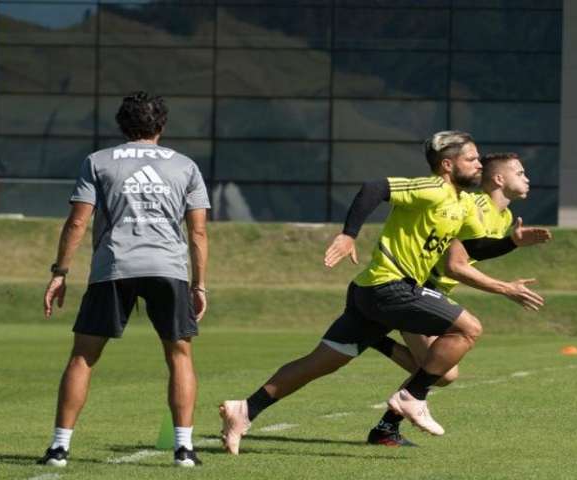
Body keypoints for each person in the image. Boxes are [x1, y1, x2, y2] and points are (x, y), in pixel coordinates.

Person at [219, 131, 550, 455]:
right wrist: (349, 236)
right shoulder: (432, 187)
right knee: (468, 328)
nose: (479, 164)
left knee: (320, 363)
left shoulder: (461, 203)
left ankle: (245, 410)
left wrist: (511, 243)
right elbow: (374, 188)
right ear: (447, 165)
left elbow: (471, 249)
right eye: (472, 159)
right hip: (390, 286)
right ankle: (411, 397)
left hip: (373, 294)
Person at [37, 92, 210, 468]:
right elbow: (197, 234)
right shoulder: (185, 166)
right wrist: (198, 284)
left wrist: (59, 273)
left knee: (83, 356)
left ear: (122, 125)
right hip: (169, 268)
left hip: (113, 266)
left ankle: (58, 449)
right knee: (179, 355)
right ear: (161, 125)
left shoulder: (98, 161)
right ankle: (184, 449)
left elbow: (78, 222)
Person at [366, 151, 543, 446]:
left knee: (442, 372)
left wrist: (510, 243)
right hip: (415, 289)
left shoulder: (506, 217)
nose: (527, 178)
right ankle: (385, 423)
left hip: (435, 292)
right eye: (520, 172)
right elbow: (455, 266)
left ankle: (376, 344)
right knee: (443, 372)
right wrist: (505, 288)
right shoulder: (472, 206)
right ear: (499, 179)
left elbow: (472, 255)